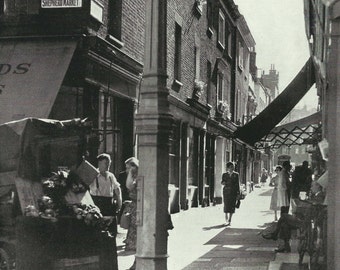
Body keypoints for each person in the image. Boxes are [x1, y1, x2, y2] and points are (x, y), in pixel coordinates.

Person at [264, 177, 326, 253]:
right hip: (306, 220)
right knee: (284, 224)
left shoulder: (320, 196)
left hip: (306, 223)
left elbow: (314, 204)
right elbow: (312, 204)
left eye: (312, 186)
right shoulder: (316, 195)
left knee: (284, 216)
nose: (311, 188)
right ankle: (285, 246)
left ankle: (275, 235)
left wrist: (305, 202)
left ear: (318, 186)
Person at [89, 153, 122, 270]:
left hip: (109, 206)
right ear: (99, 163)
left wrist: (119, 203)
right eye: (105, 163)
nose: (108, 165)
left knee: (111, 236)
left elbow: (117, 190)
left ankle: (111, 264)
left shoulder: (111, 176)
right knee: (100, 235)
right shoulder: (93, 175)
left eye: (109, 163)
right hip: (98, 205)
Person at [221, 162, 240, 226]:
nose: (232, 168)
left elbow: (238, 184)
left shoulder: (236, 174)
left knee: (232, 205)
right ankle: (226, 217)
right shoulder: (224, 175)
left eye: (233, 167)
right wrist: (223, 182)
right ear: (228, 167)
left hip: (233, 192)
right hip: (226, 192)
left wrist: (238, 193)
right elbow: (222, 182)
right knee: (226, 204)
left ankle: (230, 220)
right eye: (231, 167)